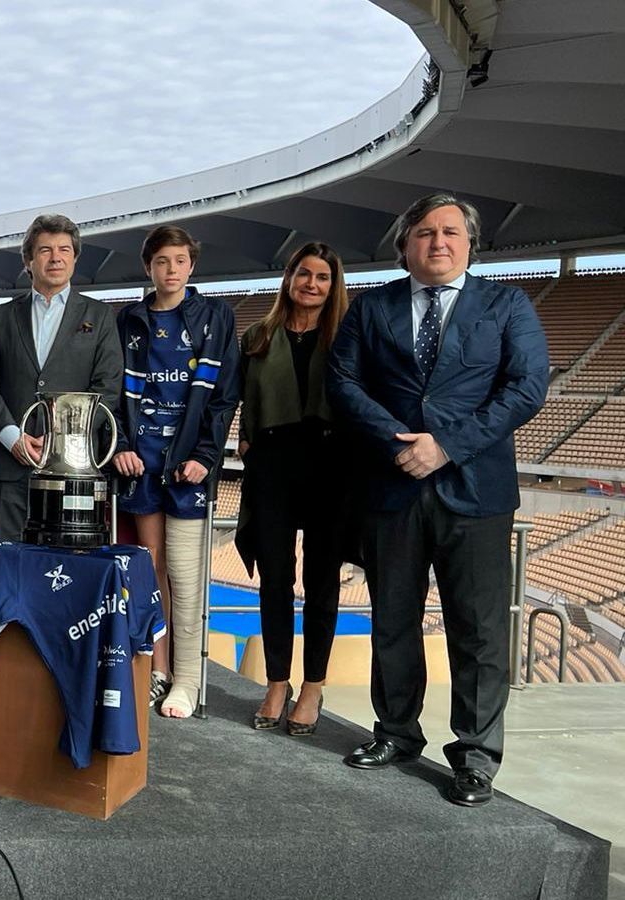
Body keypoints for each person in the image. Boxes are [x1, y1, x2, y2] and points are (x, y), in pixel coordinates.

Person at [328, 193, 548, 806]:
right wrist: (398, 442)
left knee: (476, 631)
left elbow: (527, 387)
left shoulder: (507, 304)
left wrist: (446, 445)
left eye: (450, 232)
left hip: (475, 490)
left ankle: (475, 755)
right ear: (405, 246)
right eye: (425, 233)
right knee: (392, 620)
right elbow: (343, 381)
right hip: (392, 485)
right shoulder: (373, 307)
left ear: (470, 242)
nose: (439, 242)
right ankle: (396, 732)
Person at [111, 225, 240, 719]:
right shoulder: (129, 321)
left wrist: (206, 456)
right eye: (162, 261)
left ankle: (187, 680)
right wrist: (123, 446)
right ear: (149, 267)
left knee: (185, 576)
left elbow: (224, 395)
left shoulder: (215, 317)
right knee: (150, 567)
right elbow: (113, 392)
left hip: (188, 469)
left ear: (192, 265)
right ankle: (158, 669)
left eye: (180, 260)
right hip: (140, 466)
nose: (171, 270)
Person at [234, 242, 350, 736]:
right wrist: (245, 438)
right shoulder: (260, 335)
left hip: (330, 464)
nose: (311, 284)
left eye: (322, 277)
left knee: (322, 583)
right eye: (304, 274)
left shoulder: (347, 337)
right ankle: (277, 681)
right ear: (289, 278)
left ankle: (313, 686)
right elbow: (244, 397)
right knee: (275, 580)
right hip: (273, 464)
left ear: (332, 285)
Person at [0, 213, 123, 541]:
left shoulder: (99, 317)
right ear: (29, 260)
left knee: (67, 575)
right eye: (45, 250)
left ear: (74, 258)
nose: (55, 257)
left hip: (74, 470)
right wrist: (13, 437)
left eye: (64, 250)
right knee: (12, 571)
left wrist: (60, 443)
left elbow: (108, 390)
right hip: (11, 467)